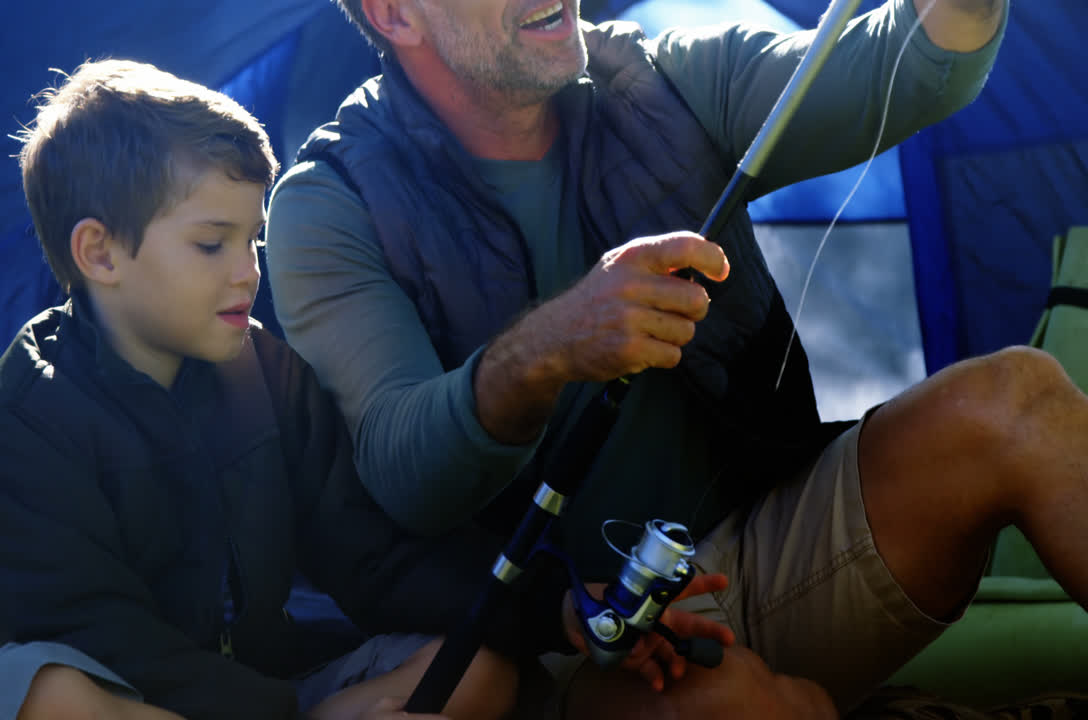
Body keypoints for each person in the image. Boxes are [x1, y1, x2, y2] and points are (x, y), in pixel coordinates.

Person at [263, 0, 1088, 715]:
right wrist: (541, 351)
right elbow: (405, 471)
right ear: (393, 15)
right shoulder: (326, 202)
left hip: (759, 550)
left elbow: (894, 68)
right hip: (558, 638)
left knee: (1014, 395)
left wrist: (956, 11)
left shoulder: (655, 76)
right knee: (744, 708)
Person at [0, 58, 728, 720]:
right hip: (143, 699)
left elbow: (376, 556)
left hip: (267, 689)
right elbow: (111, 641)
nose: (248, 270)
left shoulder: (259, 369)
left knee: (475, 667)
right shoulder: (35, 416)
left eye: (253, 238)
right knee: (54, 696)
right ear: (99, 253)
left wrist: (558, 609)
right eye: (211, 242)